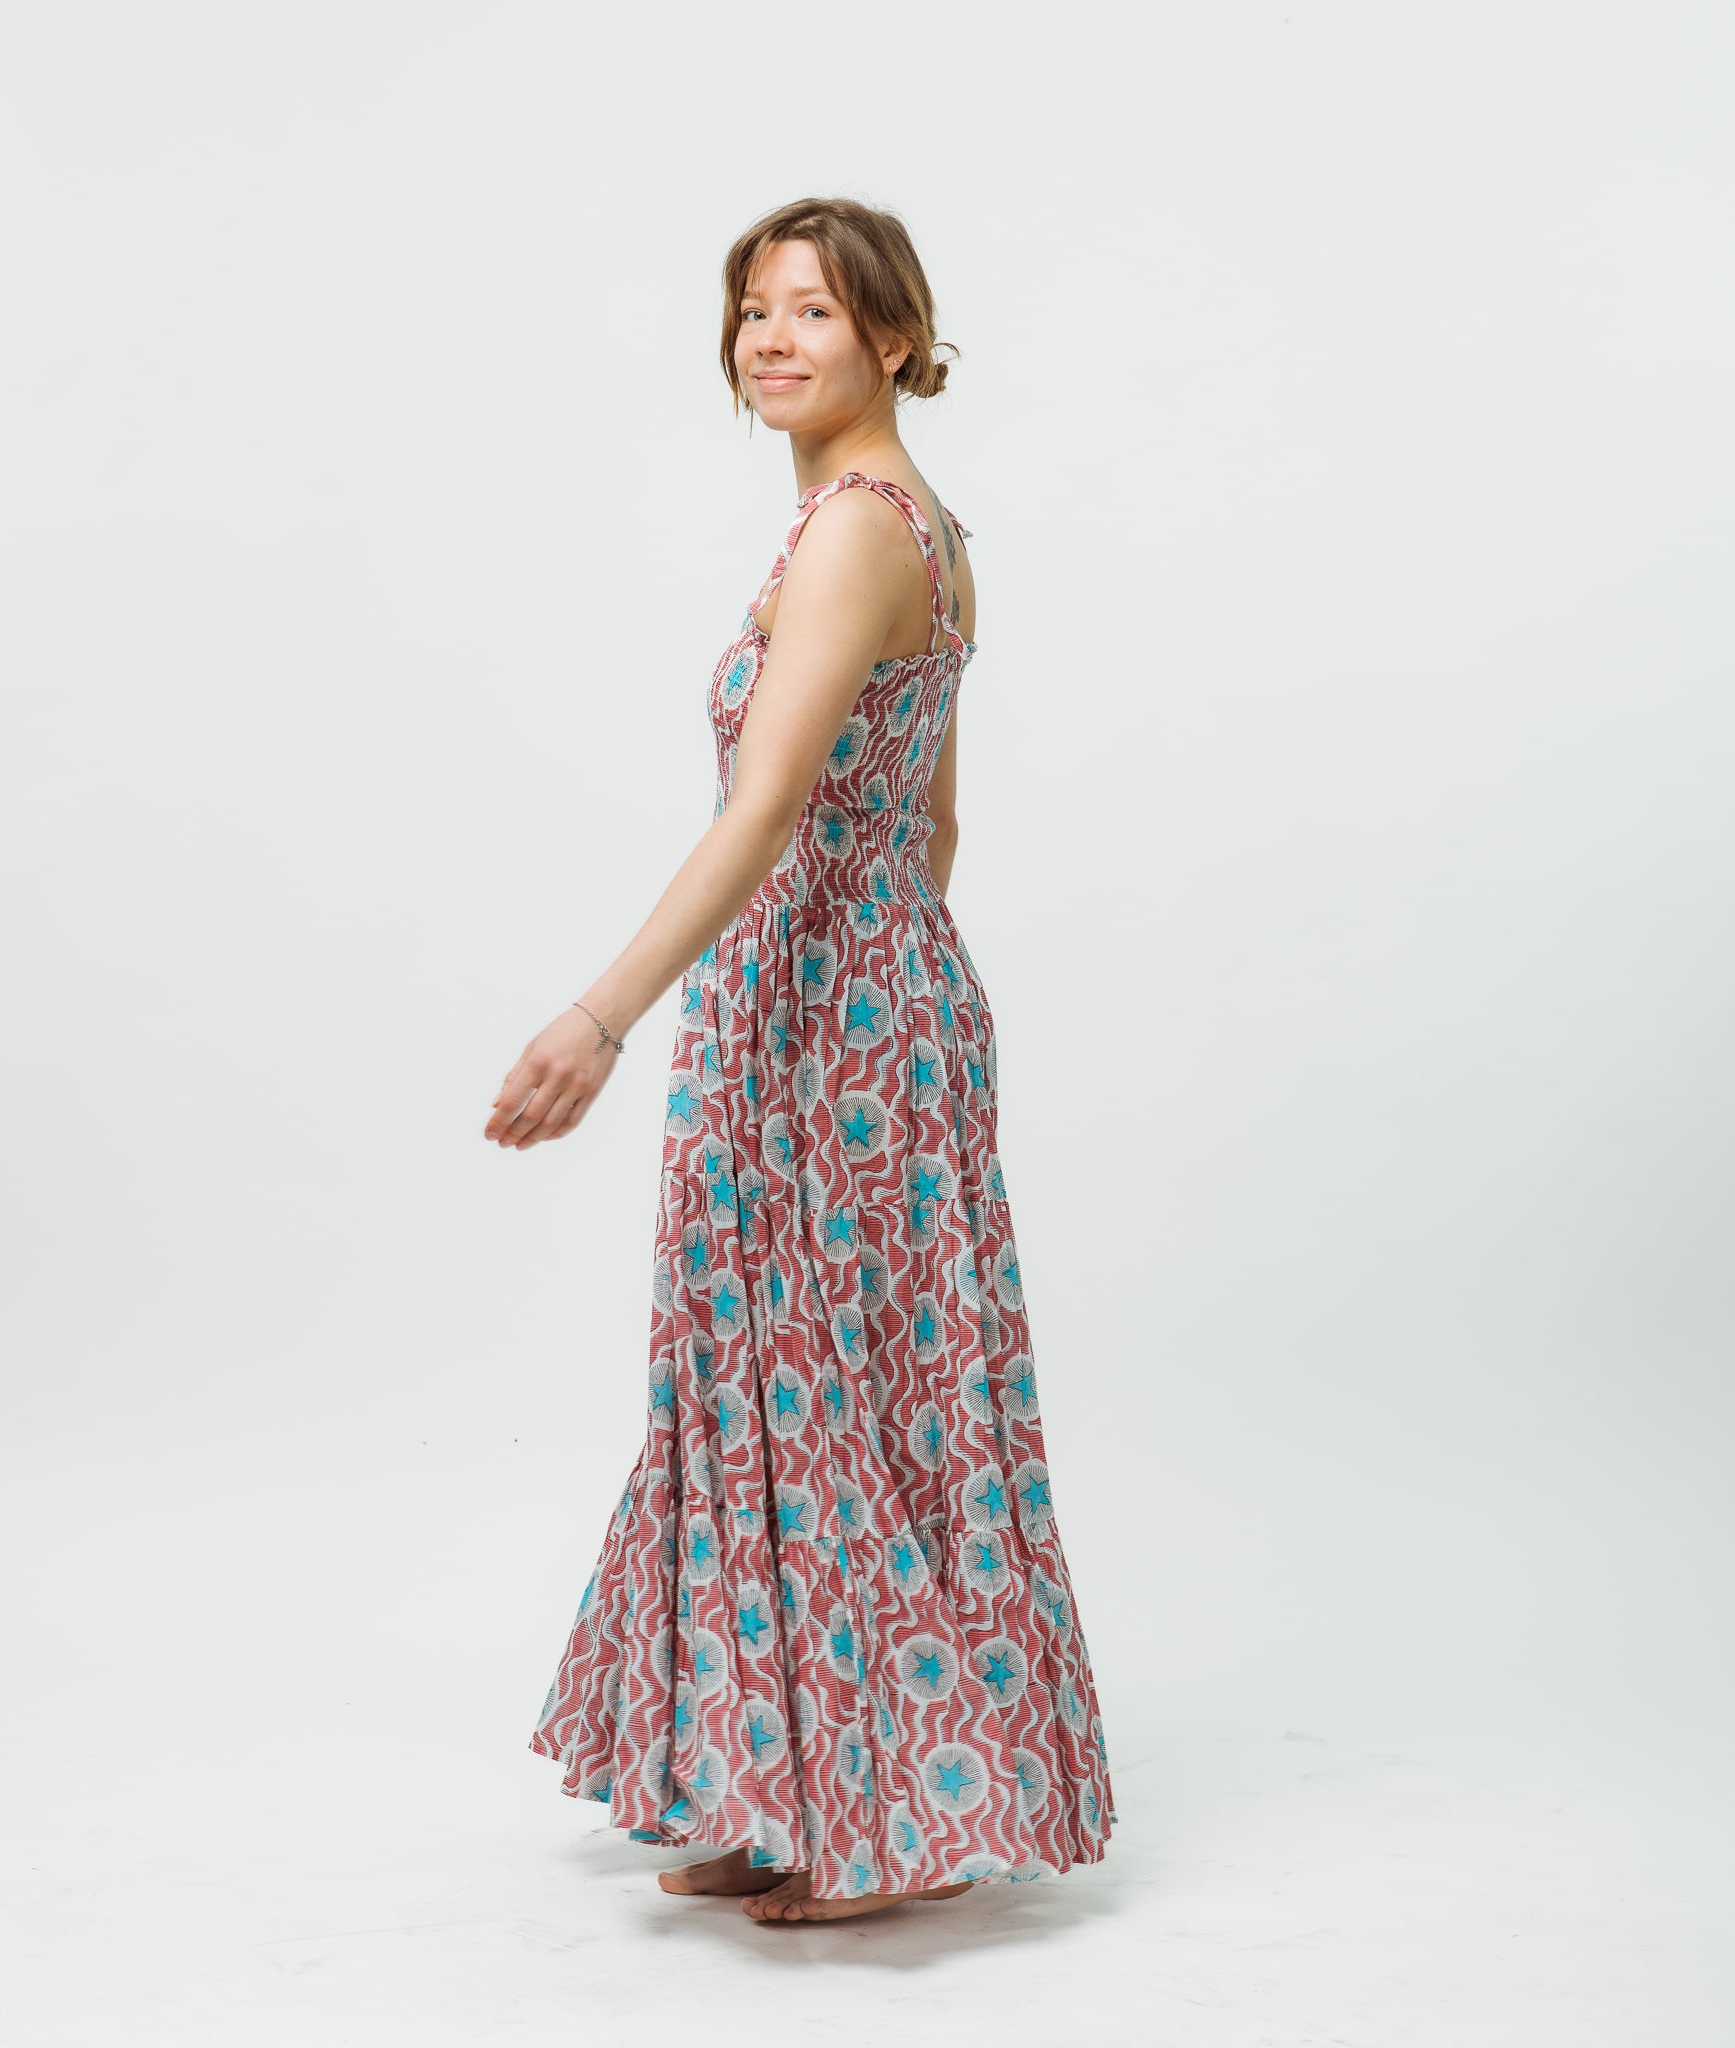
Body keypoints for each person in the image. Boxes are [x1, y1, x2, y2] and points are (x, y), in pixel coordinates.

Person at [486, 196, 1116, 1925]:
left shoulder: (857, 526)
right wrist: (887, 984)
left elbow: (770, 811)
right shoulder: (920, 521)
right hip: (846, 1003)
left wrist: (602, 1016)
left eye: (815, 315)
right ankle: (797, 1786)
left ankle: (886, 1821)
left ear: (898, 342)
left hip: (828, 1025)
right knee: (791, 1379)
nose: (774, 338)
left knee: (829, 1392)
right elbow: (933, 819)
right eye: (753, 311)